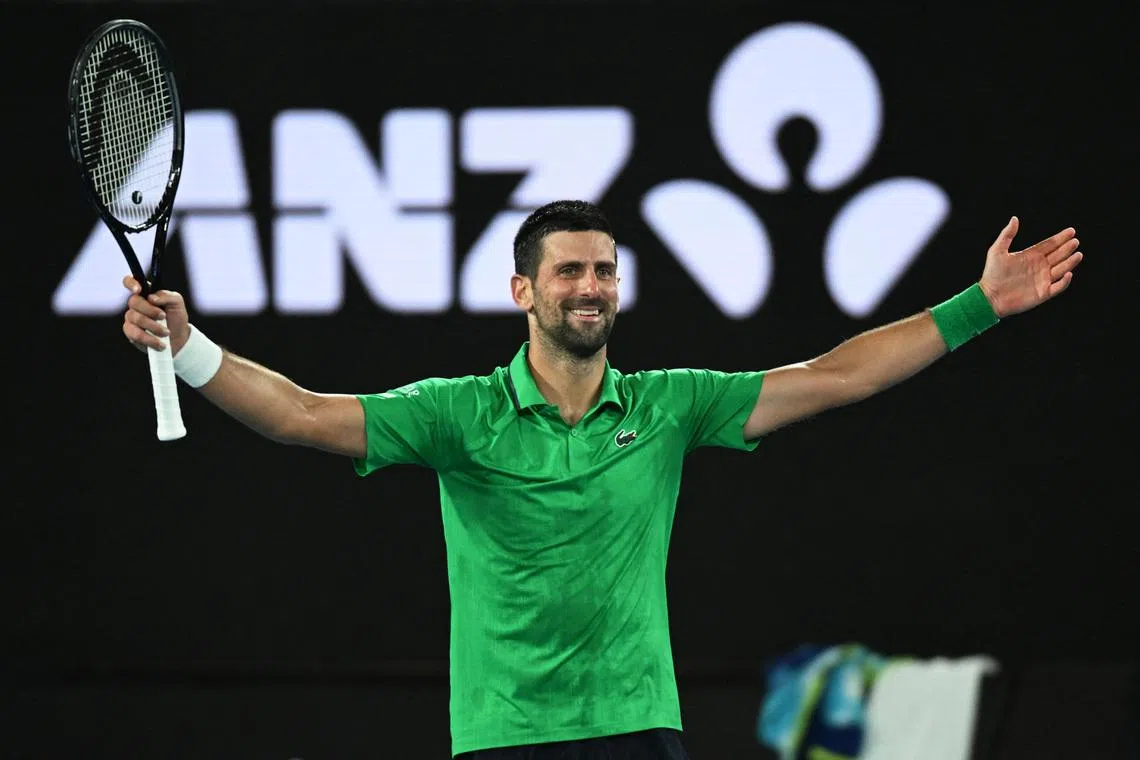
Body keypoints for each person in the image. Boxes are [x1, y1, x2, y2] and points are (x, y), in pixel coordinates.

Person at [121, 200, 1082, 760]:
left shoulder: (668, 405)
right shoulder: (460, 414)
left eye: (606, 272)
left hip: (635, 731)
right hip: (503, 738)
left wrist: (980, 307)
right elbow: (298, 412)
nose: (591, 287)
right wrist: (192, 346)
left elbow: (835, 375)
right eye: (571, 271)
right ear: (523, 292)